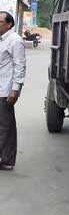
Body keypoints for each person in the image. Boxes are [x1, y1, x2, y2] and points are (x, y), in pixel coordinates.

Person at [0, 11, 26, 170]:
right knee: (8, 126)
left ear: (9, 24)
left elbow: (20, 66)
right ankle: (8, 160)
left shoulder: (15, 41)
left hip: (5, 90)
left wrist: (15, 90)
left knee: (2, 126)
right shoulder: (2, 40)